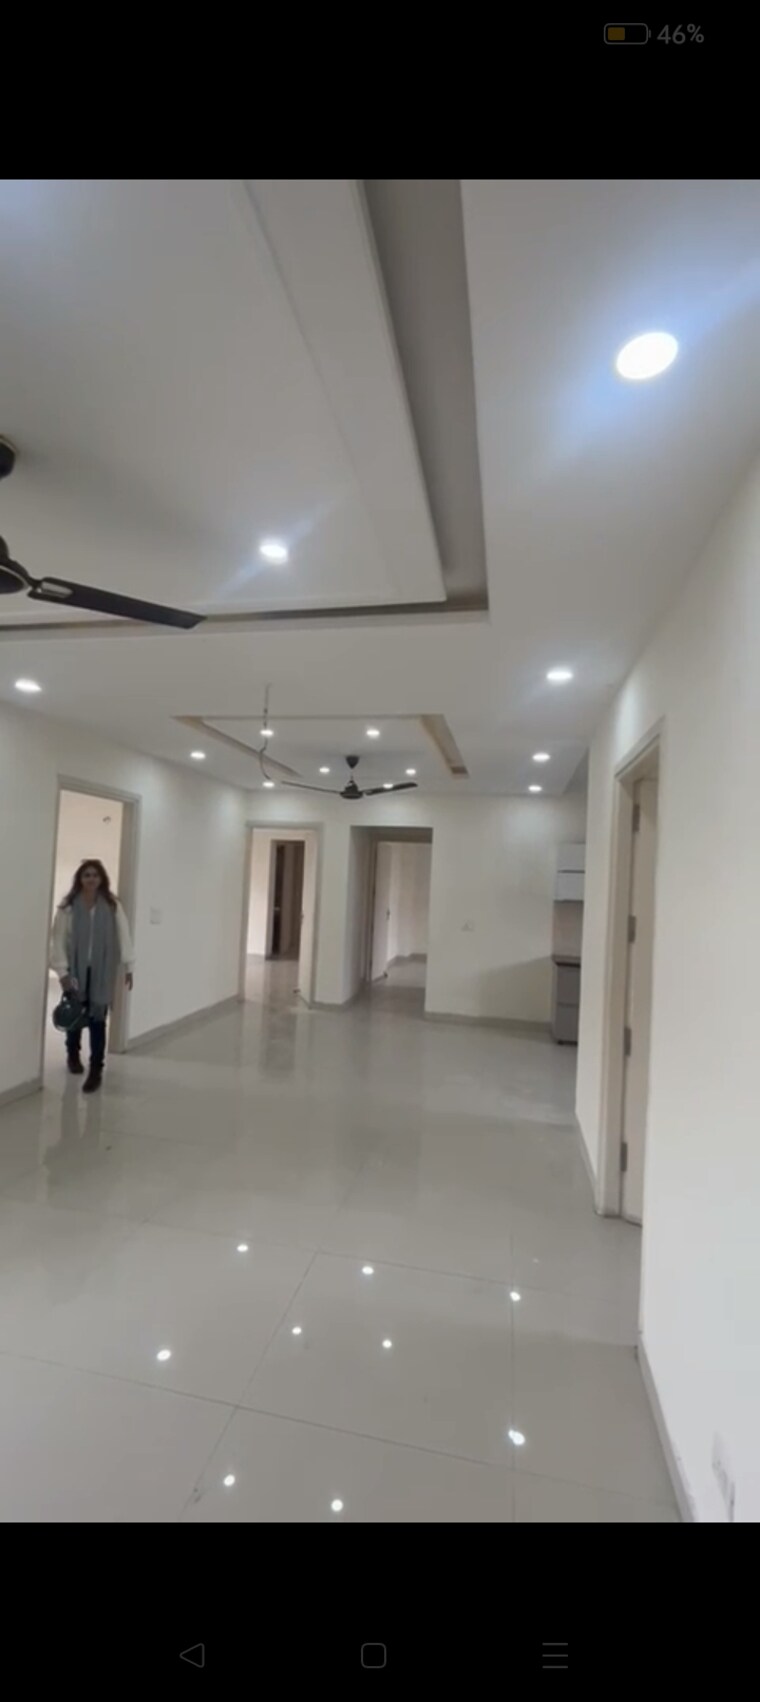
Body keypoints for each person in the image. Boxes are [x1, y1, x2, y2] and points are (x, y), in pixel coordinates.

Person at [50, 859, 135, 1094]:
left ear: (102, 879)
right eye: (86, 875)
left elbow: (124, 935)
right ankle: (72, 1055)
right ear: (80, 879)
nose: (91, 879)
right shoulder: (67, 907)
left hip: (102, 972)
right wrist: (62, 972)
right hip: (75, 972)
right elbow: (58, 940)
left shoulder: (112, 905)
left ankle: (96, 1068)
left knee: (98, 1019)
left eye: (95, 875)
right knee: (76, 1016)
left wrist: (129, 966)